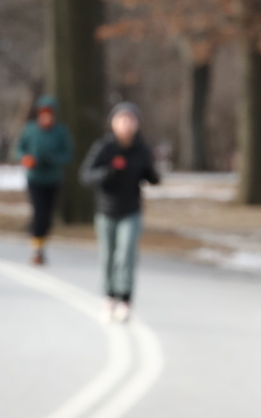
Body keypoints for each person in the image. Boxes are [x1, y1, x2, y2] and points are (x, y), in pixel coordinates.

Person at [80, 102, 160, 321]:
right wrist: (107, 173)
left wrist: (152, 175)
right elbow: (86, 175)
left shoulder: (141, 149)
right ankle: (109, 297)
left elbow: (150, 175)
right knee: (108, 256)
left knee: (126, 255)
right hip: (106, 211)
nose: (126, 124)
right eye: (122, 120)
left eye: (131, 120)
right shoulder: (104, 148)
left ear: (137, 124)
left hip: (131, 211)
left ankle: (125, 299)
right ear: (113, 123)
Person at [14, 95, 74, 265]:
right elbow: (18, 150)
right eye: (43, 114)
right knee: (39, 212)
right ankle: (37, 250)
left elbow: (68, 153)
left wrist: (54, 159)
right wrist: (26, 159)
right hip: (35, 178)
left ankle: (42, 242)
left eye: (49, 114)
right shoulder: (30, 129)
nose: (46, 117)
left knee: (47, 216)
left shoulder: (60, 131)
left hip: (53, 179)